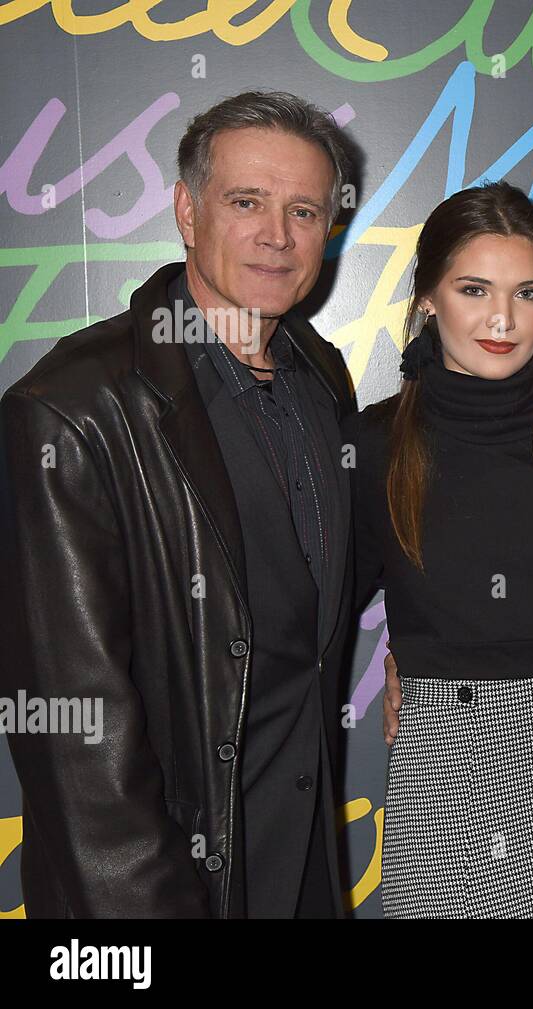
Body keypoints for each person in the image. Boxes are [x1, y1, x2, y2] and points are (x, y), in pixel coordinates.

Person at [0, 92, 356, 917]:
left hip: (303, 869)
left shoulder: (321, 377)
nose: (278, 234)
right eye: (246, 202)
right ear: (187, 211)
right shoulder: (72, 410)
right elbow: (76, 738)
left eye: (303, 209)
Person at [346, 182, 533, 918]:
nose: (502, 318)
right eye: (474, 289)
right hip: (440, 752)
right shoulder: (373, 443)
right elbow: (308, 615)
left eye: (528, 292)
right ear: (429, 297)